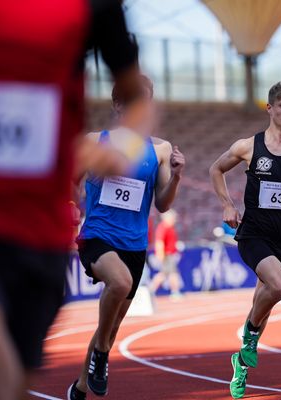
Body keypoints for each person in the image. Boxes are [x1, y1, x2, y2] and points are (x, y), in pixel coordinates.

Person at [0, 1, 142, 399]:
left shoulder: (94, 9)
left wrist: (121, 146)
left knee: (14, 382)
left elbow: (137, 96)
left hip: (39, 238)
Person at [67, 76, 185, 400]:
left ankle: (79, 387)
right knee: (118, 284)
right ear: (118, 105)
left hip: (134, 244)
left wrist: (176, 176)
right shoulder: (96, 141)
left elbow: (163, 203)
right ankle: (102, 352)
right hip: (97, 237)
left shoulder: (159, 150)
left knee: (113, 323)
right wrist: (71, 207)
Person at [209, 81, 281, 399]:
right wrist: (227, 204)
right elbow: (215, 169)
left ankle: (240, 366)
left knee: (266, 300)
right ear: (270, 108)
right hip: (254, 233)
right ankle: (249, 337)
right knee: (280, 286)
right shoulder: (248, 146)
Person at [149, 210, 183, 299]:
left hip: (169, 255)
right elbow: (159, 242)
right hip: (167, 255)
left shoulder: (169, 227)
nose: (175, 220)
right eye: (173, 218)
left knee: (164, 274)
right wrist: (160, 255)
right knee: (172, 273)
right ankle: (175, 292)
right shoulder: (163, 227)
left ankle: (150, 291)